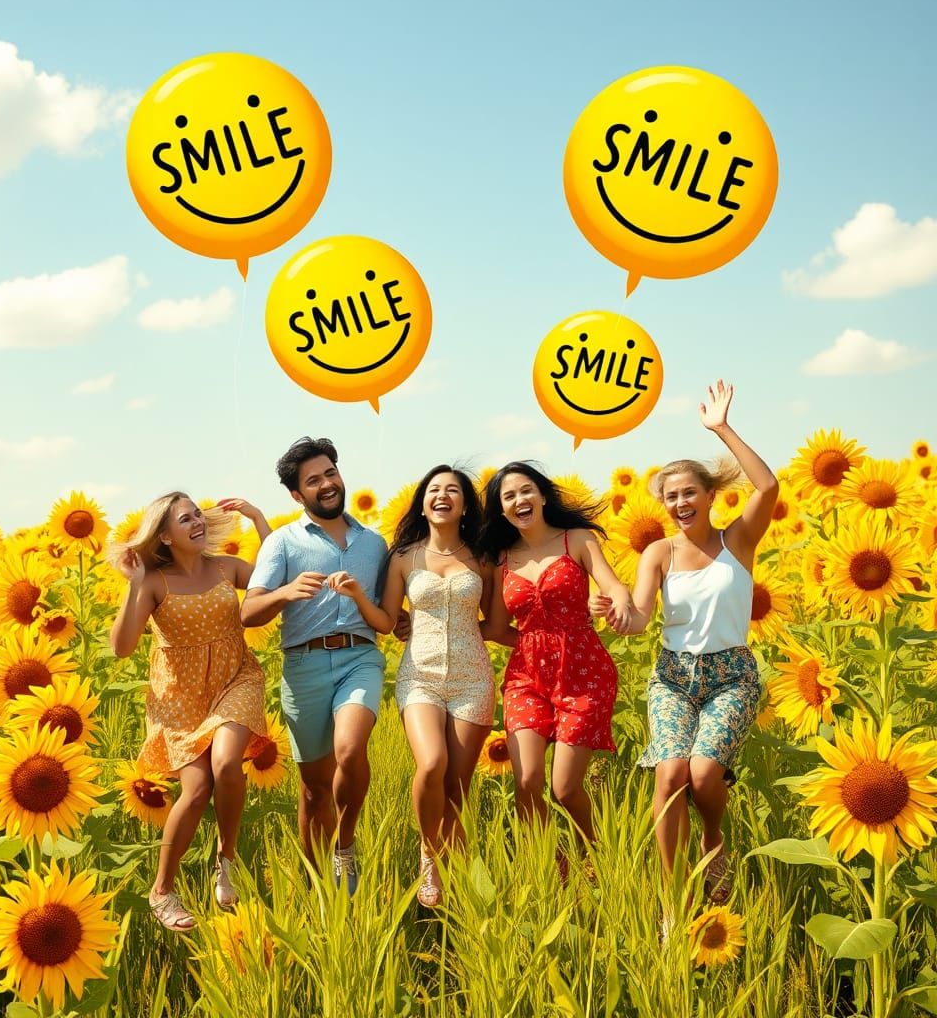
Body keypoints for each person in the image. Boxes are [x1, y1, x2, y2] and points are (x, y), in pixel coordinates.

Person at [591, 380, 777, 914]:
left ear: (710, 496)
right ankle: (673, 900)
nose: (679, 503)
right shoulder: (657, 552)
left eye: (688, 493)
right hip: (674, 676)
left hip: (732, 675)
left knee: (701, 774)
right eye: (670, 496)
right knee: (670, 774)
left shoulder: (737, 540)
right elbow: (642, 616)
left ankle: (713, 836)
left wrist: (721, 429)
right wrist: (617, 614)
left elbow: (767, 486)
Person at [328, 465, 508, 907]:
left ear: (465, 504)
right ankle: (431, 855)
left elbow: (497, 624)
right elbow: (389, 622)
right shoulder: (404, 557)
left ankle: (463, 890)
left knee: (456, 791)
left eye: (453, 490)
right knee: (431, 765)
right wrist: (356, 597)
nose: (442, 495)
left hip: (472, 679)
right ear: (422, 502)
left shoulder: (484, 558)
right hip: (420, 677)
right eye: (434, 490)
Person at [109, 493, 270, 932]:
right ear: (164, 534)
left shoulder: (227, 567)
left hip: (236, 678)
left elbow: (274, 583)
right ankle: (162, 890)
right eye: (186, 519)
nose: (198, 521)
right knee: (196, 791)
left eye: (198, 513)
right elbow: (122, 648)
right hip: (180, 698)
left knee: (226, 763)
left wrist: (258, 520)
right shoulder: (155, 583)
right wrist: (135, 583)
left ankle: (227, 859)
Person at [240, 437, 388, 894]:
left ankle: (345, 846)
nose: (327, 484)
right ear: (296, 495)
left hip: (359, 657)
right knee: (314, 790)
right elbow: (249, 612)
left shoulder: (374, 543)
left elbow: (384, 610)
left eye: (330, 473)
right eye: (313, 480)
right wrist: (285, 593)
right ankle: (318, 884)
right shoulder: (283, 543)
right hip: (303, 666)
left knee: (350, 748)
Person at [478, 462, 631, 855]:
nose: (519, 500)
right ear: (501, 510)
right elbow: (496, 627)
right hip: (526, 679)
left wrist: (615, 605)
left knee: (564, 787)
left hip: (584, 673)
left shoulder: (576, 540)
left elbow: (615, 588)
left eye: (525, 490)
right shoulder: (501, 560)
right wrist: (435, 629)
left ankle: (595, 854)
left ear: (542, 495)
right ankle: (549, 865)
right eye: (508, 497)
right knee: (527, 780)